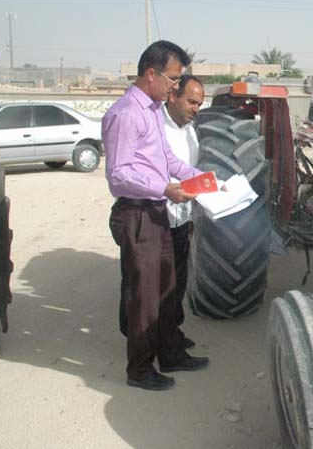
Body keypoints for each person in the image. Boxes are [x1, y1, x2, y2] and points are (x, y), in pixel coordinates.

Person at [104, 40, 209, 391]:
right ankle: (139, 370)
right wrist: (165, 188)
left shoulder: (150, 111)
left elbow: (167, 160)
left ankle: (171, 353)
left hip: (156, 212)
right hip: (138, 214)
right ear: (151, 73)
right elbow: (119, 174)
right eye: (173, 79)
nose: (176, 87)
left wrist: (202, 179)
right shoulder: (126, 114)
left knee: (167, 289)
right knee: (146, 296)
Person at [162, 75, 205, 349]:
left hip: (182, 220)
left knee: (176, 285)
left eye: (199, 104)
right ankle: (156, 344)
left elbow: (189, 171)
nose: (196, 109)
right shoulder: (156, 129)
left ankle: (171, 335)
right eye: (191, 102)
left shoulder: (189, 130)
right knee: (160, 288)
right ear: (172, 96)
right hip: (158, 220)